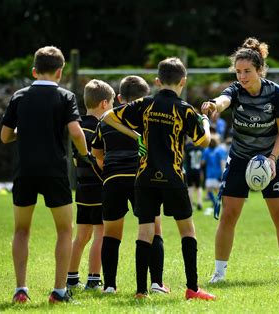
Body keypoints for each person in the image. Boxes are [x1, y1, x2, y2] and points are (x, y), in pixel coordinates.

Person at [103, 57, 215, 300]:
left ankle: (141, 291)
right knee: (187, 231)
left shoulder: (145, 104)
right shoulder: (185, 109)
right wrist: (205, 122)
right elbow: (203, 141)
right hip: (173, 178)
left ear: (157, 81)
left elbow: (109, 117)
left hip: (144, 179)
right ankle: (193, 289)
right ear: (183, 82)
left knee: (145, 232)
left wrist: (135, 135)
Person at [201, 37, 279, 283]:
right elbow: (223, 101)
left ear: (259, 70)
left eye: (247, 71)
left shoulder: (277, 94)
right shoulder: (235, 91)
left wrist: (273, 158)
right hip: (240, 159)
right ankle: (219, 273)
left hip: (271, 158)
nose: (242, 77)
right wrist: (214, 105)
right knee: (229, 215)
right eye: (238, 72)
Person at [0, 46, 91, 303]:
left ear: (34, 71)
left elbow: (5, 136)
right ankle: (59, 291)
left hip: (24, 170)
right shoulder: (65, 96)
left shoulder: (19, 96)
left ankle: (21, 290)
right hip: (54, 170)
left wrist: (25, 133)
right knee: (64, 230)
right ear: (60, 72)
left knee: (21, 230)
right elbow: (75, 131)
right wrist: (85, 154)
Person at [92, 75, 168, 294]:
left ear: (119, 97)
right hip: (141, 179)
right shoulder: (149, 121)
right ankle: (156, 283)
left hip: (113, 180)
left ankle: (109, 286)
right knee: (153, 229)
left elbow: (96, 153)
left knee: (111, 233)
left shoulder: (105, 121)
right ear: (144, 100)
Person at [66, 79, 113, 291]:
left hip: (82, 188)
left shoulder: (78, 126)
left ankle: (71, 277)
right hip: (99, 187)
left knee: (82, 235)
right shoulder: (100, 128)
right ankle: (94, 279)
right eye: (111, 104)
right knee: (100, 234)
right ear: (104, 104)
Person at [201, 133, 226, 213]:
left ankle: (216, 203)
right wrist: (223, 173)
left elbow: (203, 162)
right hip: (217, 174)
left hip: (210, 174)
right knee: (216, 190)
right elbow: (222, 162)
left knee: (209, 190)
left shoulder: (207, 150)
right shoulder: (220, 150)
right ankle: (217, 203)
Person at [184, 136, 205, 210]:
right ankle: (200, 202)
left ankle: (191, 205)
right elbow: (203, 160)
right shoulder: (201, 147)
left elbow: (183, 156)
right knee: (199, 187)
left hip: (189, 170)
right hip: (198, 169)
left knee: (190, 187)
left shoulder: (187, 147)